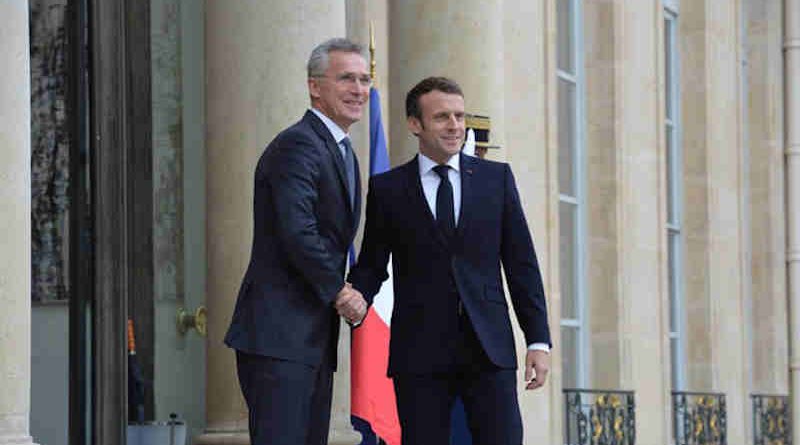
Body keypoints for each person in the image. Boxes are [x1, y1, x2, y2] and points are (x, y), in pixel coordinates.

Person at [348, 76, 552, 445]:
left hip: (488, 349)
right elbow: (373, 263)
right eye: (442, 117)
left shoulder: (496, 179)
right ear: (415, 124)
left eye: (459, 116)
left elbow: (522, 265)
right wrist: (355, 296)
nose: (455, 126)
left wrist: (538, 340)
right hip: (420, 353)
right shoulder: (389, 189)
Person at [224, 38, 370, 445]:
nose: (359, 89)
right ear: (314, 86)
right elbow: (297, 231)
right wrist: (340, 291)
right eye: (346, 78)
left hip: (310, 338)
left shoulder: (341, 150)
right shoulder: (297, 146)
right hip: (279, 337)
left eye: (364, 79)